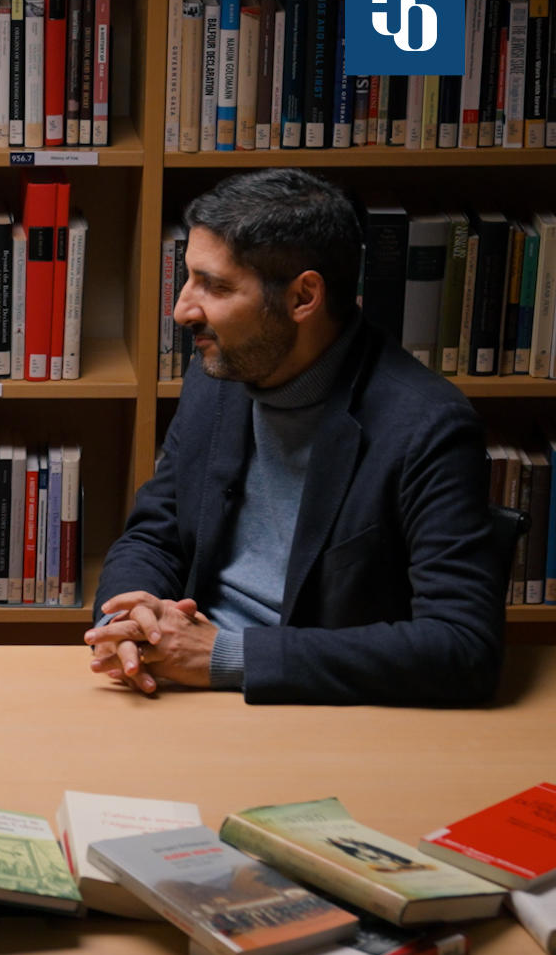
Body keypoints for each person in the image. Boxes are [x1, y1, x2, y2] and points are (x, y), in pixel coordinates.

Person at [85, 169, 503, 706]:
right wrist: (130, 617)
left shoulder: (428, 426)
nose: (183, 309)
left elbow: (464, 647)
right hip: (177, 683)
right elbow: (153, 536)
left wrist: (226, 657)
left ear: (304, 296)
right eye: (189, 278)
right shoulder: (219, 375)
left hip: (314, 704)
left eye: (215, 285)